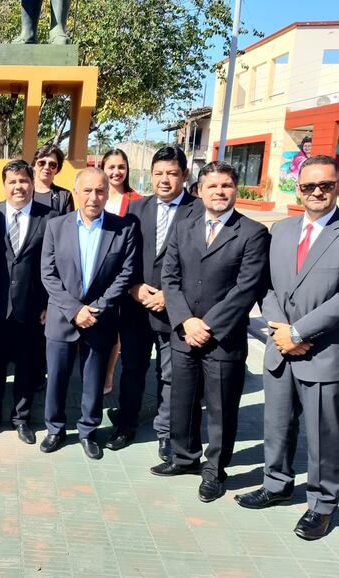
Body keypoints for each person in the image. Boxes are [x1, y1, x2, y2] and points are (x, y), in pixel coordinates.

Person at [151, 161, 269, 503]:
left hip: (223, 339)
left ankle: (215, 471)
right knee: (182, 401)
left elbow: (246, 289)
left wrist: (208, 326)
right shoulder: (183, 226)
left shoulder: (252, 233)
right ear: (199, 191)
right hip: (184, 334)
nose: (219, 192)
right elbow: (169, 279)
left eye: (226, 186)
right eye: (212, 186)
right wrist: (186, 321)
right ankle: (185, 458)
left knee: (220, 408)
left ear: (236, 190)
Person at [236, 155, 339, 541]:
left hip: (324, 350)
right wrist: (282, 332)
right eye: (309, 186)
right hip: (281, 347)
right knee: (276, 424)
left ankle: (322, 504)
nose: (317, 192)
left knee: (323, 434)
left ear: (336, 186)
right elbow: (267, 286)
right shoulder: (281, 229)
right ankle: (276, 484)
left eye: (325, 185)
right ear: (298, 188)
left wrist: (298, 332)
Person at [105, 146, 201, 458]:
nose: (164, 180)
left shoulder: (199, 211)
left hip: (176, 311)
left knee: (170, 374)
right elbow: (123, 256)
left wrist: (170, 296)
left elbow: (202, 265)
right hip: (135, 307)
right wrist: (133, 287)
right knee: (132, 368)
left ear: (184, 176)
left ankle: (165, 433)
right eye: (158, 173)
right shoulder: (137, 209)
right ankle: (126, 424)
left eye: (172, 173)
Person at [39, 167, 136, 458]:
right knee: (56, 378)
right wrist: (73, 309)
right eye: (88, 190)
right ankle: (55, 429)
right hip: (62, 318)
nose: (94, 197)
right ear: (76, 193)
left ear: (107, 193)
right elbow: (48, 273)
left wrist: (98, 308)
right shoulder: (56, 226)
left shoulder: (123, 228)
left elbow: (125, 273)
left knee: (93, 382)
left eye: (100, 191)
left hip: (100, 319)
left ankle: (88, 431)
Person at [0, 160, 54, 445]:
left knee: (27, 367)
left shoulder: (50, 217)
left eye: (23, 180)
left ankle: (21, 419)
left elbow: (52, 265)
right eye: (12, 181)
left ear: (32, 183)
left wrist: (48, 304)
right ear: (4, 185)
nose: (18, 186)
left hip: (32, 308)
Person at [101, 148, 142, 395]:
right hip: (99, 277)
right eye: (111, 167)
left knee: (118, 332)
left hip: (125, 278)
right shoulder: (96, 196)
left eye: (121, 167)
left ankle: (109, 375)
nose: (116, 172)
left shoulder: (138, 200)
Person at [32, 143, 74, 214]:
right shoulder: (23, 192)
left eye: (52, 164)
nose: (46, 167)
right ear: (34, 165)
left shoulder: (65, 196)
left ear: (57, 169)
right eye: (42, 163)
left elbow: (68, 223)